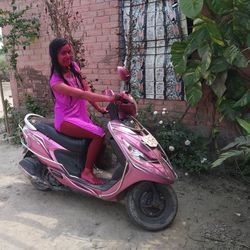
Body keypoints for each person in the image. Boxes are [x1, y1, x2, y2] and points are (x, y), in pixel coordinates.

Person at [49, 38, 115, 185]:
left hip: (80, 116)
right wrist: (110, 99)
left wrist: (99, 108)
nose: (68, 56)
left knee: (95, 136)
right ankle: (87, 171)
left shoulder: (74, 67)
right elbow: (82, 95)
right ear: (55, 56)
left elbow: (86, 89)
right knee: (99, 134)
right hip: (66, 120)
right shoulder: (56, 82)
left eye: (69, 52)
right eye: (63, 53)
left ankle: (88, 165)